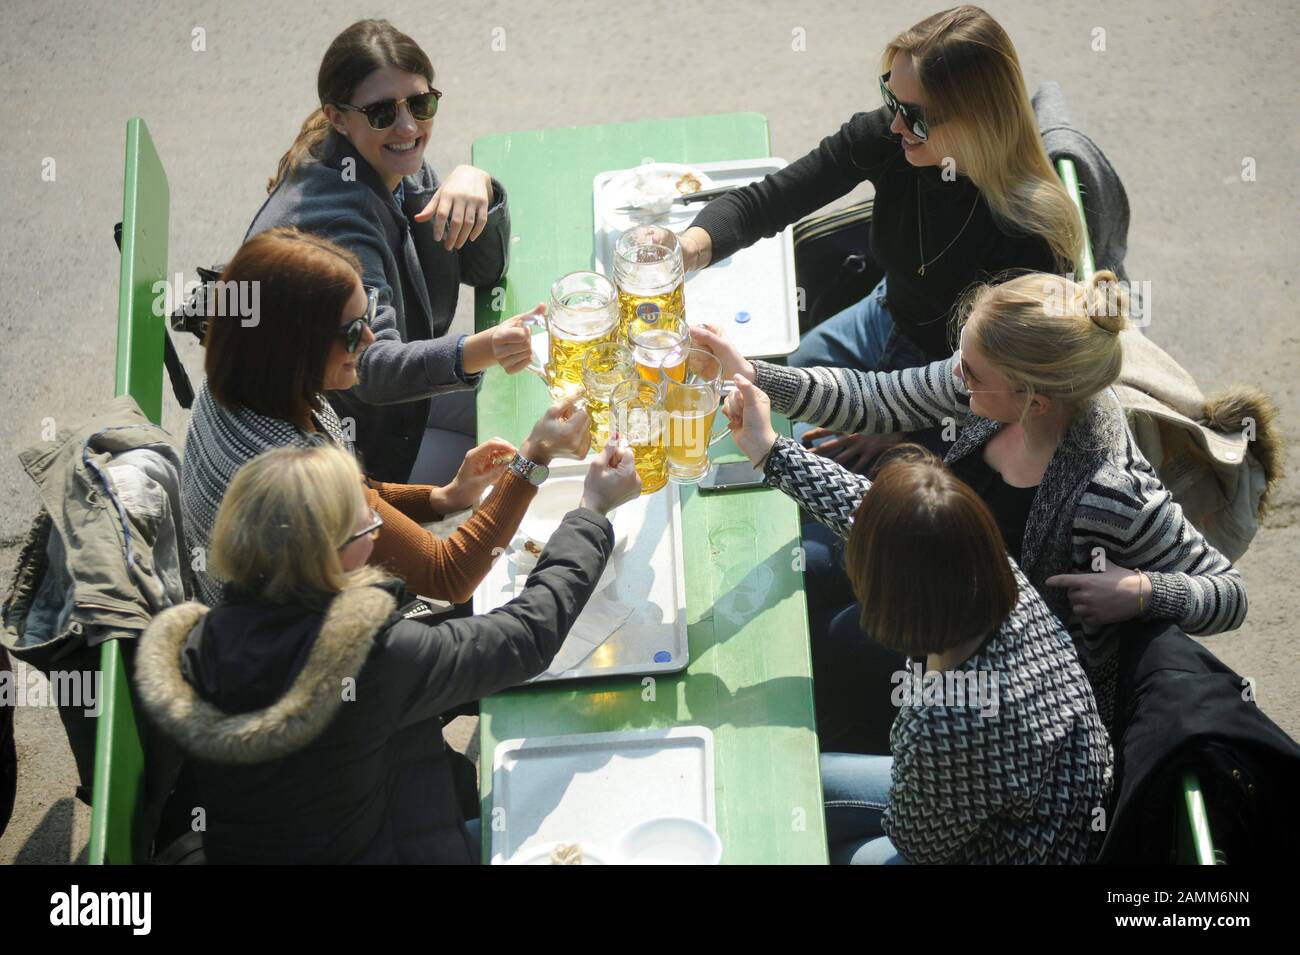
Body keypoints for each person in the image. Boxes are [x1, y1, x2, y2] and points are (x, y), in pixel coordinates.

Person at [696, 269, 1247, 738]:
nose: (955, 374)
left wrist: (1144, 592)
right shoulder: (985, 390)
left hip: (992, 689)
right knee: (804, 580)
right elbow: (877, 398)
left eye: (971, 370)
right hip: (931, 588)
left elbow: (1228, 593)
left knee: (831, 654)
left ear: (1033, 400)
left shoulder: (1111, 493)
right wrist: (754, 374)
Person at [135, 441, 641, 863]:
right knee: (590, 818)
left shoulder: (204, 641)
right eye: (368, 528)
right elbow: (527, 637)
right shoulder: (369, 658)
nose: (378, 532)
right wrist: (591, 512)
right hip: (397, 849)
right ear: (330, 555)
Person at [680, 4, 1084, 472]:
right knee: (778, 409)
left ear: (978, 118)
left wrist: (907, 429)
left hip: (963, 386)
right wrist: (690, 247)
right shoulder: (894, 139)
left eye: (914, 115)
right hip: (886, 312)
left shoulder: (1029, 239)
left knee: (829, 487)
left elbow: (1010, 388)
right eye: (890, 97)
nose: (893, 125)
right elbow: (767, 202)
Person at [722, 417, 1112, 862]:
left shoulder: (945, 720)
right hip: (1041, 806)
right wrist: (770, 451)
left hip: (1011, 849)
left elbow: (917, 845)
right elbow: (868, 510)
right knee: (795, 785)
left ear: (892, 593)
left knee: (822, 833)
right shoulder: (984, 569)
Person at [183, 227, 589, 608]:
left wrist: (446, 497)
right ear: (294, 348)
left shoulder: (241, 385)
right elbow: (449, 575)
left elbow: (361, 491)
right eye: (350, 331)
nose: (370, 339)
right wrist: (535, 456)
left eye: (369, 313)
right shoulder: (297, 473)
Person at [249, 18, 537, 485]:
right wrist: (480, 346)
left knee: (536, 399)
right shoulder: (338, 224)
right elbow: (372, 368)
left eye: (421, 104)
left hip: (389, 400)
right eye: (383, 112)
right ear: (338, 116)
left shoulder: (386, 158)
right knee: (520, 461)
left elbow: (485, 269)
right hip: (344, 443)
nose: (407, 126)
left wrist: (476, 184)